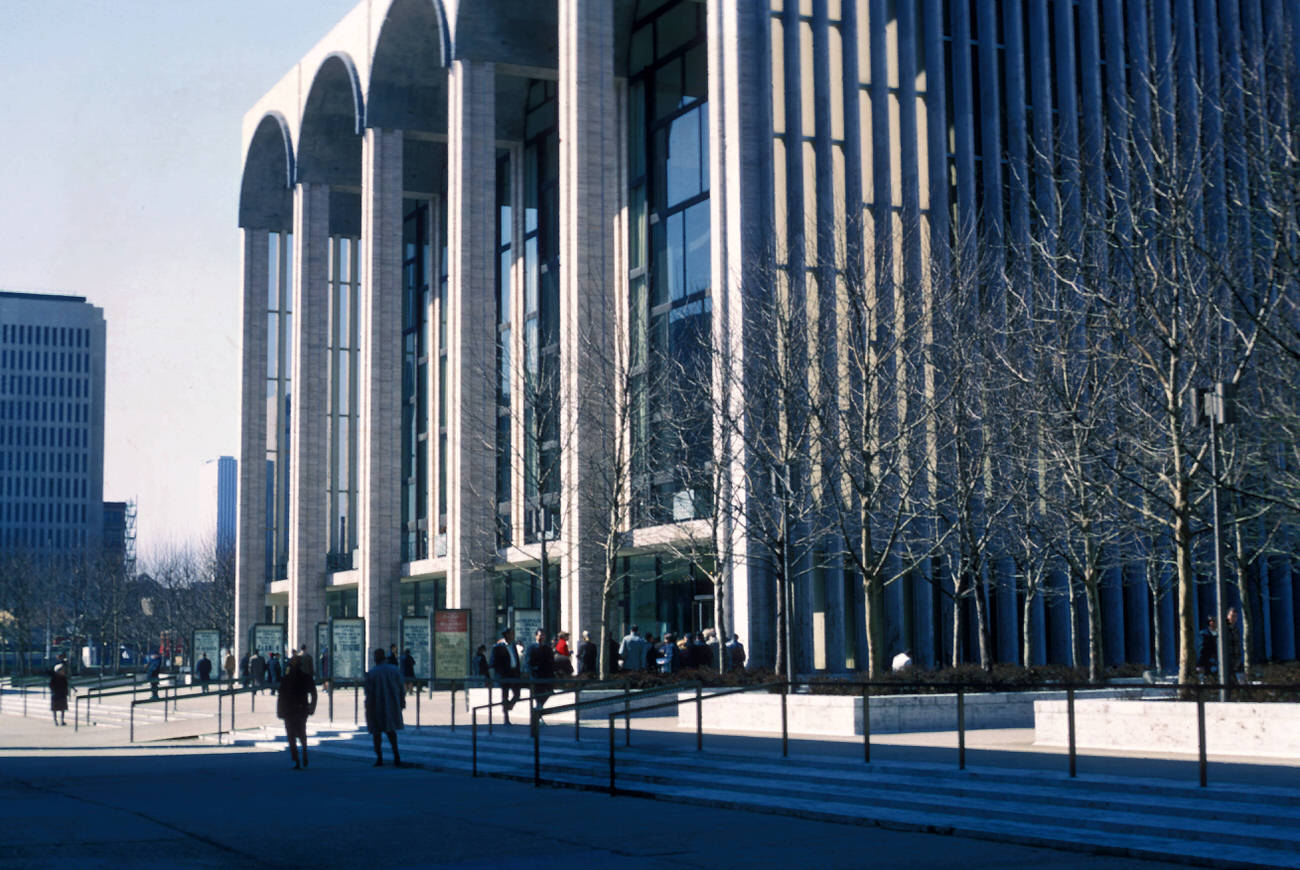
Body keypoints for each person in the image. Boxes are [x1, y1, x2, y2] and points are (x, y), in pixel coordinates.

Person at [364, 648, 405, 767]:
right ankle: (396, 756)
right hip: (391, 705)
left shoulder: (372, 673)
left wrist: (368, 708)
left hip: (376, 707)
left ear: (375, 658)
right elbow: (401, 689)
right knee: (391, 732)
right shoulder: (394, 670)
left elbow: (368, 692)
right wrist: (402, 702)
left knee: (377, 734)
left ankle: (379, 758)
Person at [277, 655, 318, 769]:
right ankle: (303, 753)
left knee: (291, 735)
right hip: (301, 709)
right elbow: (314, 694)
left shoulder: (286, 679)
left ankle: (296, 759)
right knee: (301, 732)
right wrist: (311, 707)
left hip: (289, 710)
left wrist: (280, 711)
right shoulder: (306, 677)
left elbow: (281, 697)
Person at [490, 628, 521, 724]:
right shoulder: (498, 647)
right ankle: (506, 718)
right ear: (506, 635)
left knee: (517, 694)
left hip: (514, 674)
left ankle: (509, 706)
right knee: (505, 696)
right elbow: (493, 662)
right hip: (505, 675)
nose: (513, 636)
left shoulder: (513, 646)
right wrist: (499, 673)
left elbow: (515, 658)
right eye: (511, 634)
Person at [526, 629, 556, 709]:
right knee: (537, 695)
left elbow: (552, 662)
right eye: (539, 635)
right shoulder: (531, 648)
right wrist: (531, 673)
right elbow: (528, 663)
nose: (541, 637)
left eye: (543, 635)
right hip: (536, 676)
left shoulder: (548, 649)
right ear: (536, 636)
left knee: (549, 692)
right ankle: (539, 711)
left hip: (546, 676)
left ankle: (539, 708)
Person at [1225, 607, 1242, 685]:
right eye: (1232, 616)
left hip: (1235, 661)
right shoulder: (1224, 629)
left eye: (1235, 616)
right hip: (1227, 661)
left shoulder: (1236, 629)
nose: (1234, 618)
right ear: (1227, 616)